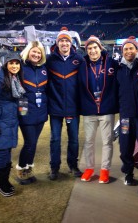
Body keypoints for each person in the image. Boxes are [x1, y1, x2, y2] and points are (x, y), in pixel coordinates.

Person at [78, 35, 119, 184]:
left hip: (106, 108)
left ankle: (104, 170)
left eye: (95, 47)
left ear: (100, 48)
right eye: (89, 48)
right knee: (89, 141)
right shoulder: (82, 65)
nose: (92, 51)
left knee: (107, 141)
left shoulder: (112, 63)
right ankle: (89, 168)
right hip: (89, 109)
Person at [46, 27, 85, 180]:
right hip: (55, 107)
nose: (64, 43)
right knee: (55, 139)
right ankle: (54, 167)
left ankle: (73, 165)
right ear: (57, 43)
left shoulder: (79, 59)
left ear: (71, 43)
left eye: (66, 41)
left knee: (74, 139)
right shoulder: (49, 60)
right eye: (61, 40)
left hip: (73, 108)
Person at [0, 53, 25, 197]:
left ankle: (5, 182)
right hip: (1, 121)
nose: (14, 66)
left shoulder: (15, 78)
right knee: (3, 152)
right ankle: (1, 184)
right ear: (6, 64)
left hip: (11, 120)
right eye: (11, 63)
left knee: (7, 151)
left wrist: (23, 113)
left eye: (17, 63)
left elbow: (19, 99)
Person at [116, 36, 138, 186]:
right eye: (125, 49)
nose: (128, 51)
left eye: (131, 48)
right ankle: (128, 173)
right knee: (125, 147)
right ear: (122, 51)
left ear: (137, 50)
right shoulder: (119, 68)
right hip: (125, 116)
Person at [16, 41, 48, 185]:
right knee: (29, 143)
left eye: (39, 52)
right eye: (33, 51)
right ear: (28, 52)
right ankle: (21, 171)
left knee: (33, 143)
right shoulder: (20, 67)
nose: (36, 54)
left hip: (40, 110)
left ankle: (28, 170)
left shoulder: (44, 68)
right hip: (25, 108)